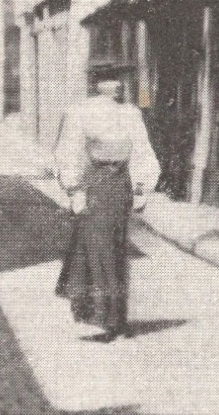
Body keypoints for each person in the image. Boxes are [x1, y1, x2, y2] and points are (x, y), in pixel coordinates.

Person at [54, 76, 160, 341]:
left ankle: (117, 318)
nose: (116, 86)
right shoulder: (80, 112)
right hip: (95, 187)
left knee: (116, 249)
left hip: (120, 188)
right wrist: (75, 190)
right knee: (95, 249)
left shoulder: (130, 114)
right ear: (97, 85)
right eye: (108, 81)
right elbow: (69, 152)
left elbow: (142, 152)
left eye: (118, 81)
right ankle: (103, 315)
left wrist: (141, 188)